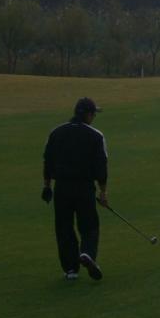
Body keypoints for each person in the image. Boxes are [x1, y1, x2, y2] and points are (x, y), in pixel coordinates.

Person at [42, 97, 109, 281]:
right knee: (89, 225)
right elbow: (101, 167)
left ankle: (71, 269)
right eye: (93, 114)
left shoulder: (56, 132)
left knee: (64, 227)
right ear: (88, 115)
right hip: (84, 188)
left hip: (61, 188)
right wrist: (103, 192)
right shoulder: (96, 135)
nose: (94, 117)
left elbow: (48, 161)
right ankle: (87, 253)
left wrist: (47, 185)